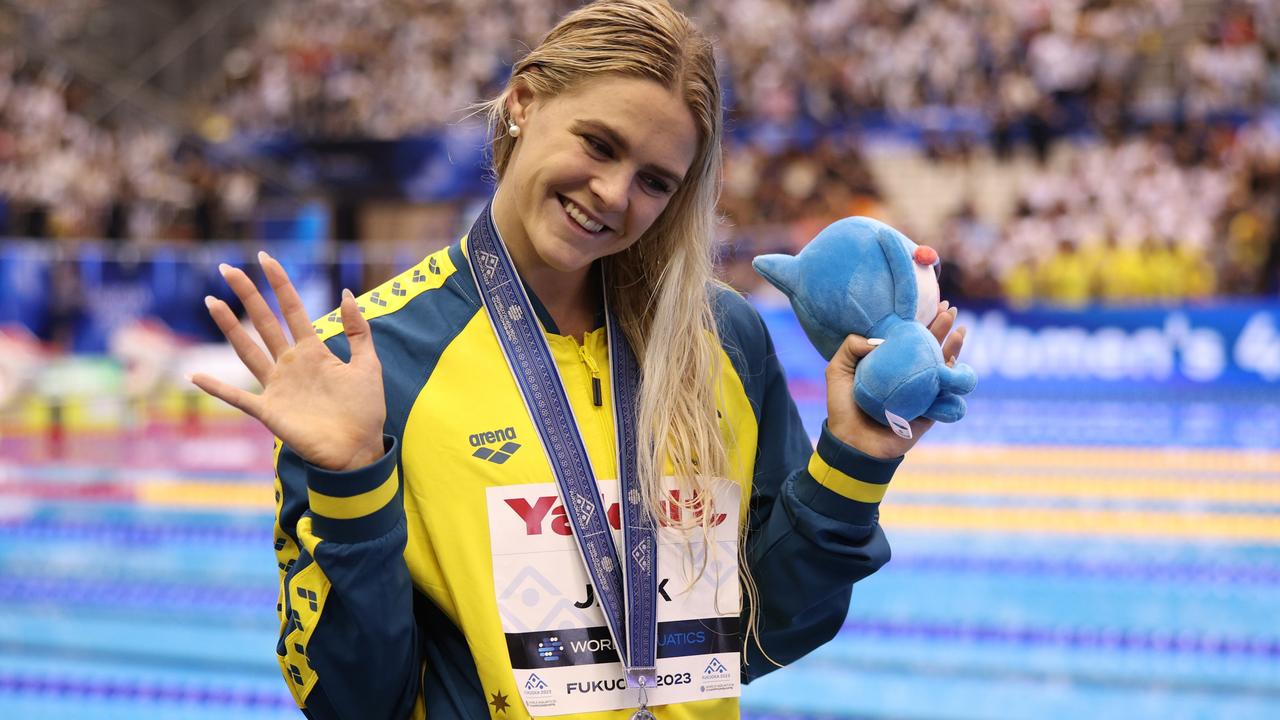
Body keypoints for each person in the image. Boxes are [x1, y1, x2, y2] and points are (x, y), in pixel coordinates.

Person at [191, 1, 966, 718]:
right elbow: (360, 703)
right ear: (524, 102)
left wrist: (855, 466)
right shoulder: (372, 363)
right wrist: (350, 480)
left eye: (655, 182)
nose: (612, 194)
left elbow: (757, 639)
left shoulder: (722, 339)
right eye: (599, 144)